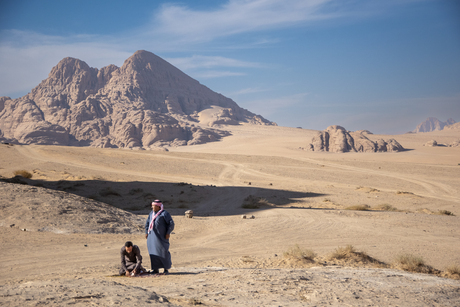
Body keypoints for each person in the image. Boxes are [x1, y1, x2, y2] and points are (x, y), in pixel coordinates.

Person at [145, 199, 175, 274]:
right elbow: (147, 223)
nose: (152, 208)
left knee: (163, 251)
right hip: (152, 237)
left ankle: (166, 269)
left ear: (158, 207)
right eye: (152, 206)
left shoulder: (164, 213)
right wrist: (146, 232)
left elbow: (171, 223)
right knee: (153, 252)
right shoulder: (151, 213)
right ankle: (155, 269)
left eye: (154, 206)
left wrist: (168, 233)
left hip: (162, 237)